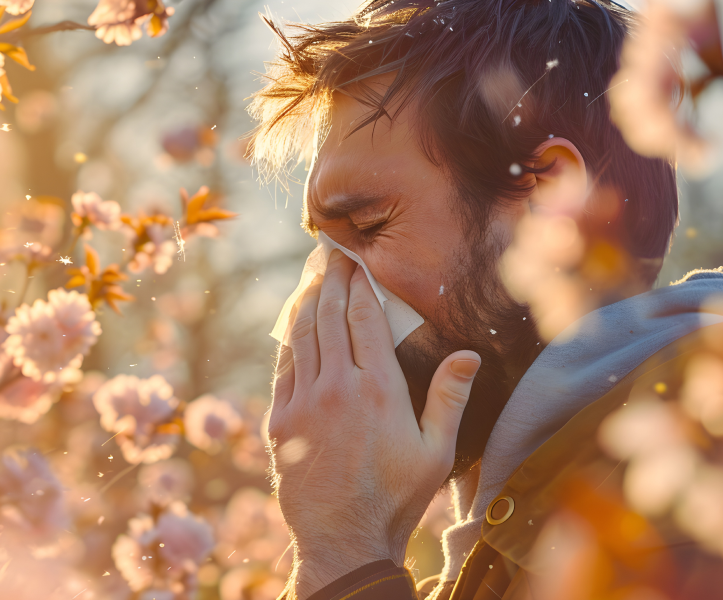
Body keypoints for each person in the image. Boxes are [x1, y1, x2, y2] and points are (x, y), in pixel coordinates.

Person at [247, 1, 723, 599]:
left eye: (368, 227)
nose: (321, 296)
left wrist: (346, 557)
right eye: (323, 249)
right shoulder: (505, 543)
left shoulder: (695, 497)